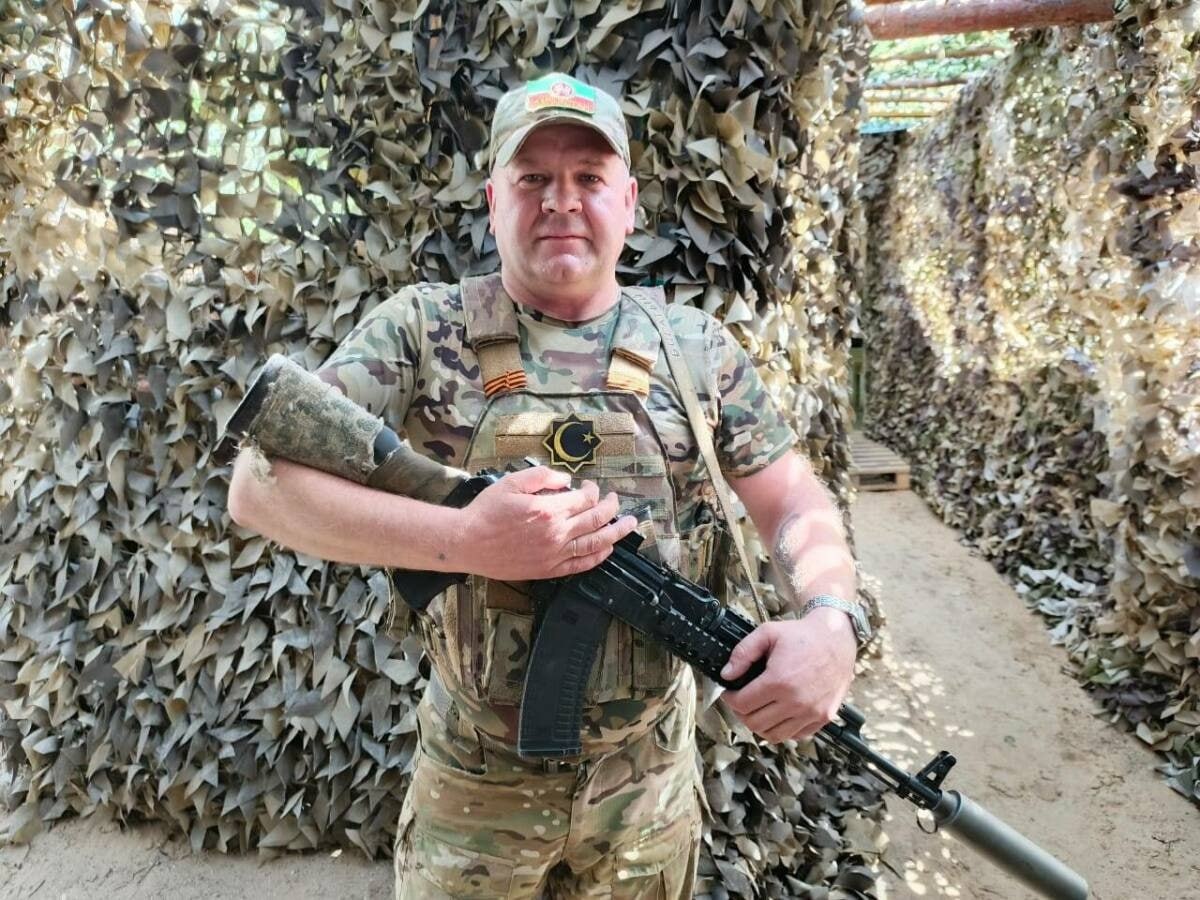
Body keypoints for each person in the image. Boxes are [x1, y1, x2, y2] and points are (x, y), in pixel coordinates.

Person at [227, 72, 868, 899]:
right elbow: (258, 488)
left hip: (648, 792)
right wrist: (467, 540)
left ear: (628, 203)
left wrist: (831, 619)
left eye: (588, 177)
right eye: (533, 178)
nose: (561, 201)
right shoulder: (422, 330)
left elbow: (795, 503)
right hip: (474, 789)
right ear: (494, 201)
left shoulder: (696, 349)